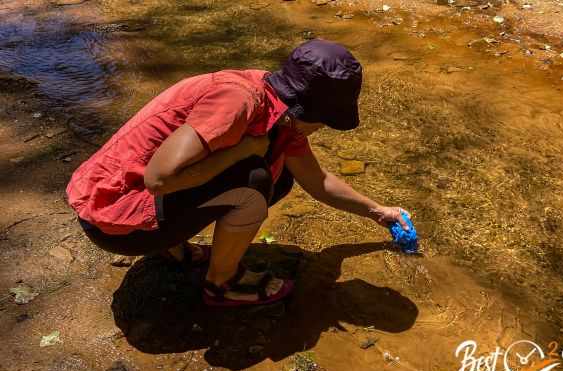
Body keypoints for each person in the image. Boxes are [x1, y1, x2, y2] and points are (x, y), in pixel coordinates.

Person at [66, 39, 410, 307]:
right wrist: (243, 151)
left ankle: (176, 249)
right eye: (326, 120)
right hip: (112, 218)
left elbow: (317, 182)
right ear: (306, 109)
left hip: (127, 205)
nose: (322, 128)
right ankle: (222, 287)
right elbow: (158, 178)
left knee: (280, 175)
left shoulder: (279, 107)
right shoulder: (238, 101)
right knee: (255, 180)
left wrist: (378, 212)